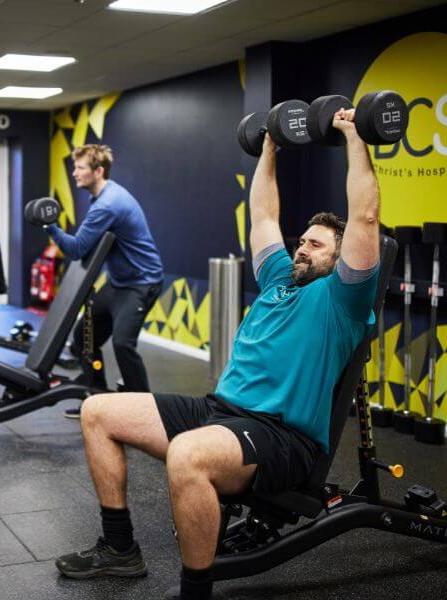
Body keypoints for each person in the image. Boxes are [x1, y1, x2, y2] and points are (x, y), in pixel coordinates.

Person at [54, 107, 381, 599]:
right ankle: (120, 550)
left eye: (316, 246)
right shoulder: (277, 281)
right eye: (302, 241)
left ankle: (196, 589)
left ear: (340, 259)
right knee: (98, 411)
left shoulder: (343, 300)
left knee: (186, 455)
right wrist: (269, 146)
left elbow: (366, 216)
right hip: (219, 411)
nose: (302, 249)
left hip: (279, 435)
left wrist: (356, 137)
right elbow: (264, 213)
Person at [45, 144, 164, 418]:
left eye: (80, 168)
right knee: (83, 336)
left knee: (123, 343)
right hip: (119, 282)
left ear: (98, 171)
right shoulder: (103, 196)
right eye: (74, 168)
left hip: (141, 283)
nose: (74, 173)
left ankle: (147, 412)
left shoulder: (108, 204)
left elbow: (76, 249)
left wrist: (48, 224)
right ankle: (94, 392)